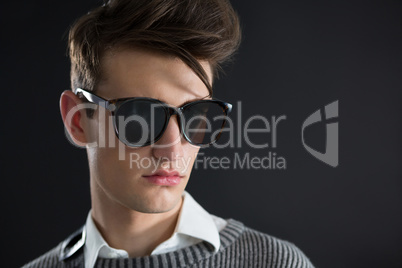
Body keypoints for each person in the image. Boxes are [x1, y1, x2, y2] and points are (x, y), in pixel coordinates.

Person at [23, 0, 315, 267]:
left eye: (195, 115)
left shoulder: (276, 263)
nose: (173, 151)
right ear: (77, 121)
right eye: (140, 116)